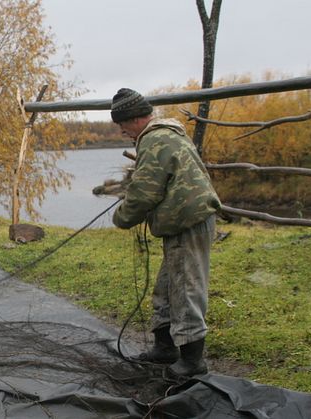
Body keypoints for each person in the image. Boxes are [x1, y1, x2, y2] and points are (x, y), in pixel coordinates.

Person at [110, 88, 220, 377]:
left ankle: (193, 362)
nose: (124, 134)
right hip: (184, 221)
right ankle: (166, 348)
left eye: (122, 127)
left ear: (134, 119)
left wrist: (121, 217)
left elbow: (144, 193)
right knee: (167, 286)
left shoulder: (155, 138)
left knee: (185, 288)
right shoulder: (167, 132)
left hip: (189, 221)